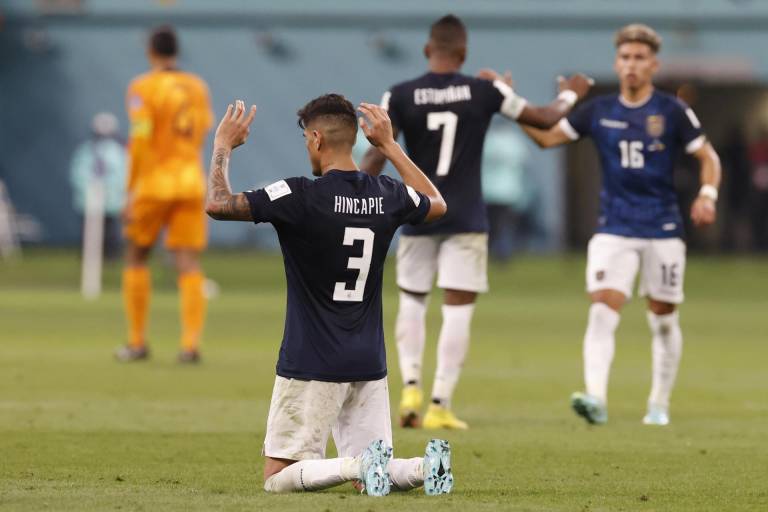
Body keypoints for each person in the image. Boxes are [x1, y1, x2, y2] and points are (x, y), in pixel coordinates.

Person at [204, 95, 453, 496]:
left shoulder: (299, 195)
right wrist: (388, 145)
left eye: (306, 139)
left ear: (317, 138)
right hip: (368, 361)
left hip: (311, 361)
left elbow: (218, 204)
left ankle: (358, 462)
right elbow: (437, 203)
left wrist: (221, 146)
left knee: (276, 478)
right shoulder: (388, 193)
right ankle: (425, 468)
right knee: (374, 479)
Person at [360, 14, 592, 429]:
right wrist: (571, 95)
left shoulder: (398, 94)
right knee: (457, 311)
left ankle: (409, 389)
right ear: (464, 54)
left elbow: (376, 155)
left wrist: (356, 192)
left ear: (428, 50)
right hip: (465, 215)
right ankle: (439, 404)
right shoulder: (484, 90)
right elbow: (543, 118)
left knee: (413, 301)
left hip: (417, 211)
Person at [513, 24, 721, 426]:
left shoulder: (672, 111)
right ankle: (596, 398)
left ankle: (658, 404)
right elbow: (547, 138)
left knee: (663, 318)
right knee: (603, 310)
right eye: (625, 57)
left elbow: (708, 157)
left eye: (640, 58)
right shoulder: (599, 111)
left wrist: (707, 195)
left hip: (662, 228)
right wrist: (511, 106)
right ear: (616, 62)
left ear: (653, 65)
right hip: (614, 228)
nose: (631, 65)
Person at [116, 25, 213, 363]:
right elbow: (201, 131)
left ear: (150, 52)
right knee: (187, 262)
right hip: (190, 182)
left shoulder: (143, 87)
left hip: (155, 182)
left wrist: (130, 191)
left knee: (136, 255)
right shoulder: (198, 87)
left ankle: (137, 342)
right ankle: (190, 345)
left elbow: (140, 138)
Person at [69, 112, 127, 261]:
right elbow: (78, 173)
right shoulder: (86, 150)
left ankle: (111, 256)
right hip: (89, 199)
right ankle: (88, 256)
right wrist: (89, 188)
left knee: (110, 230)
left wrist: (111, 190)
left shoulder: (118, 151)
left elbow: (122, 174)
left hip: (111, 201)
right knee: (88, 231)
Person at [481, 123, 534, 260]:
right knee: (505, 225)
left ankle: (493, 252)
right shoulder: (514, 142)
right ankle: (503, 252)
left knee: (491, 225)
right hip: (509, 191)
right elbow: (525, 163)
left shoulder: (488, 140)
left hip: (489, 191)